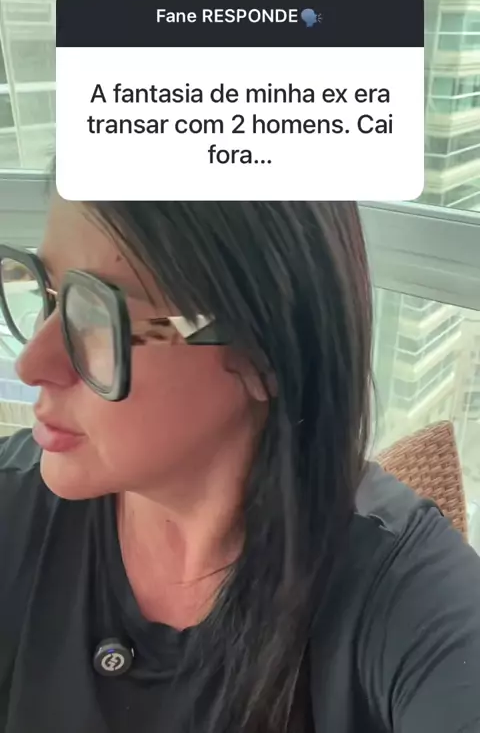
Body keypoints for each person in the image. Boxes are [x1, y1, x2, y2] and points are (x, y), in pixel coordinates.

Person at [0, 195, 479, 733]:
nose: (32, 363)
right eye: (48, 293)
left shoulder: (408, 602)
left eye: (95, 317)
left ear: (263, 351)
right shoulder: (14, 508)